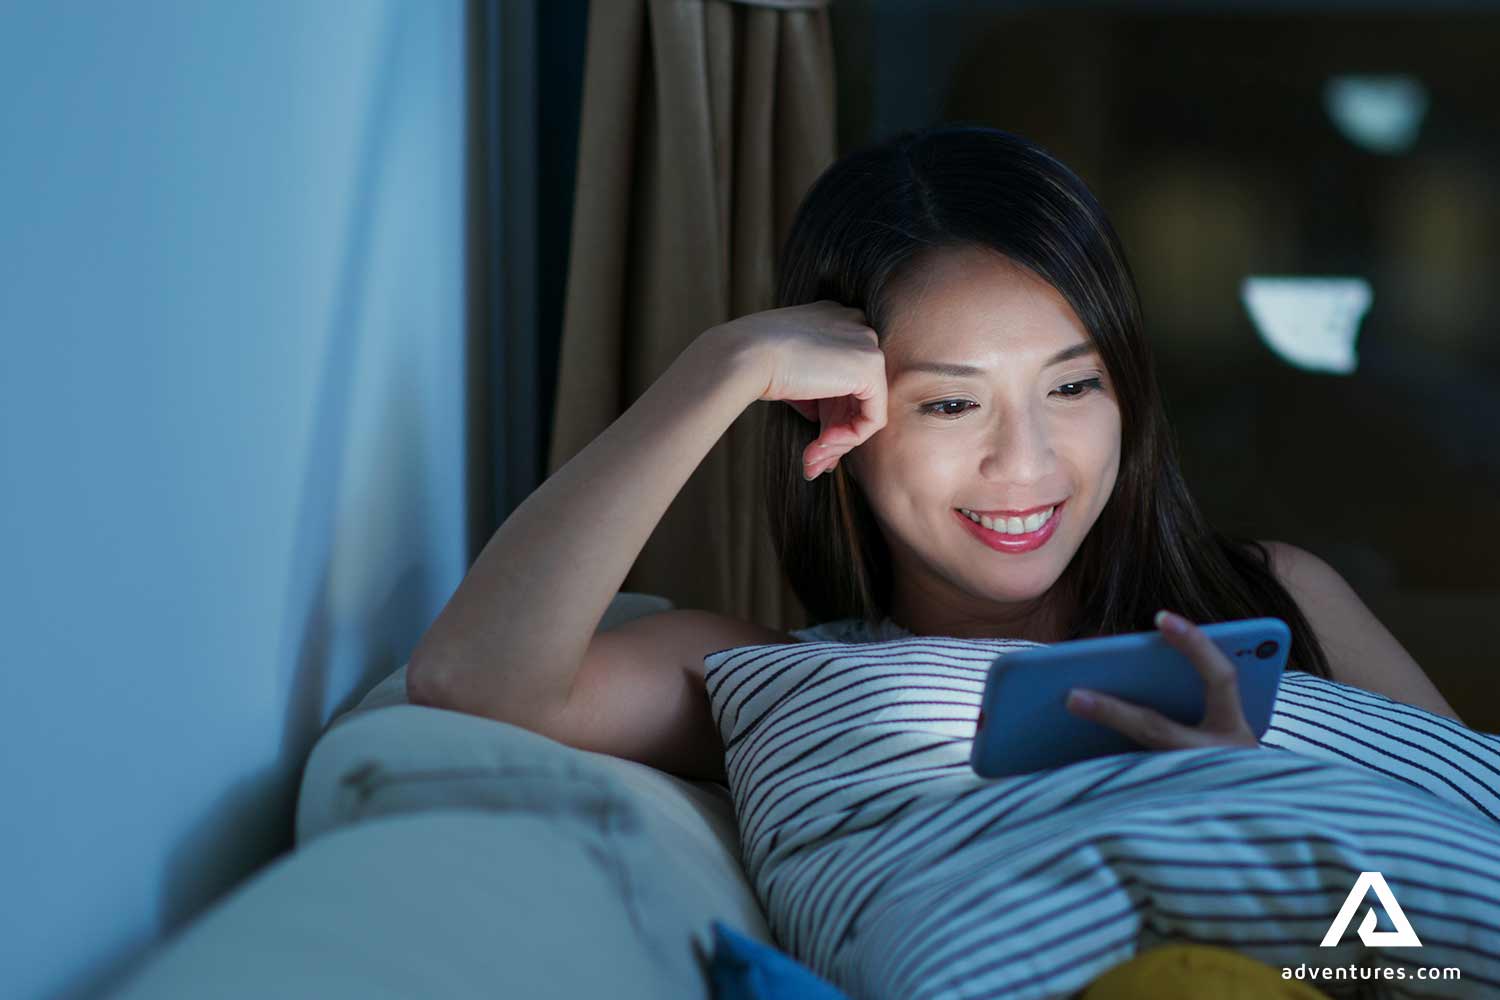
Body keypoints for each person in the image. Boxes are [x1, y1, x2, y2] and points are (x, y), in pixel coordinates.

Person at [404, 124, 1462, 787]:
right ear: (836, 419)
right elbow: (471, 677)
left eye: (1074, 385)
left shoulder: (1276, 599)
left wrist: (1270, 809)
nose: (1029, 460)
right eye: (953, 402)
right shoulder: (784, 682)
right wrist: (723, 365)